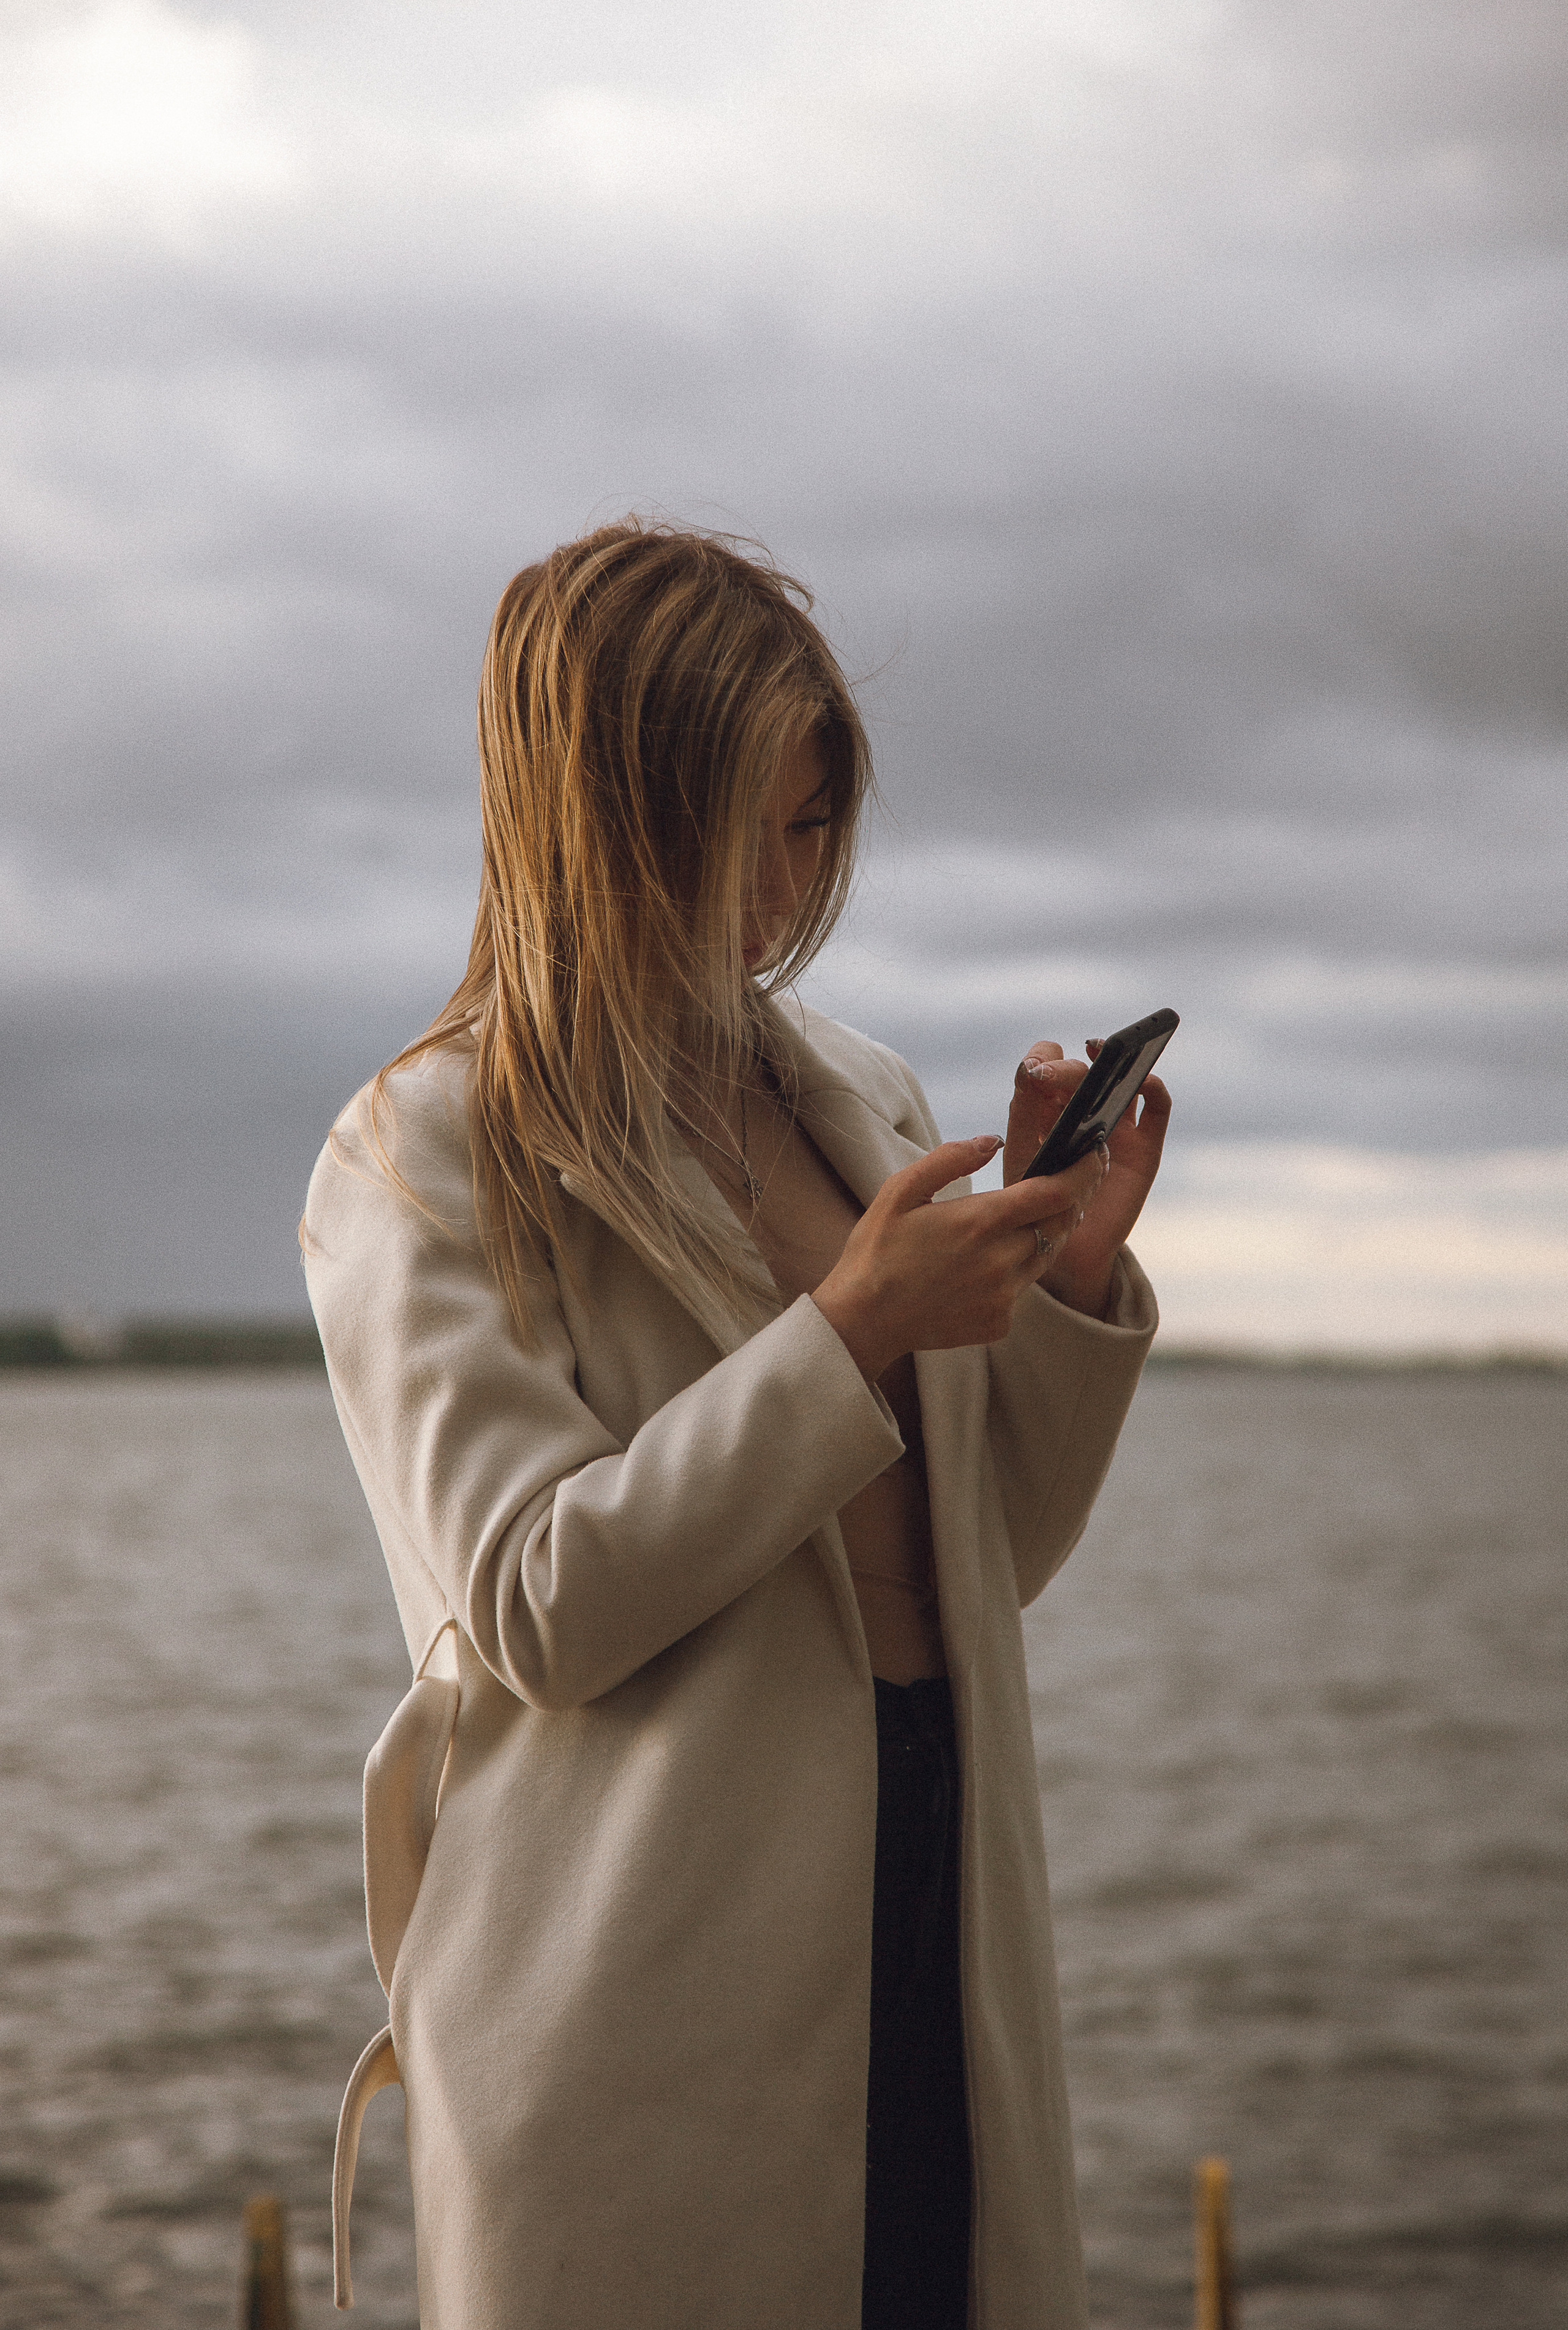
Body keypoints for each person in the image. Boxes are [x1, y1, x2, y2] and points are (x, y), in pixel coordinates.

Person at [303, 520, 1169, 2330]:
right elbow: (537, 1597)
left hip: (937, 1890)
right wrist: (850, 1334)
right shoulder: (421, 1153)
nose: (785, 886)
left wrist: (1072, 1279)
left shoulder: (860, 1090)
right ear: (608, 809)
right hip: (645, 1970)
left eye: (812, 825)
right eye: (746, 824)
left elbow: (976, 1562)